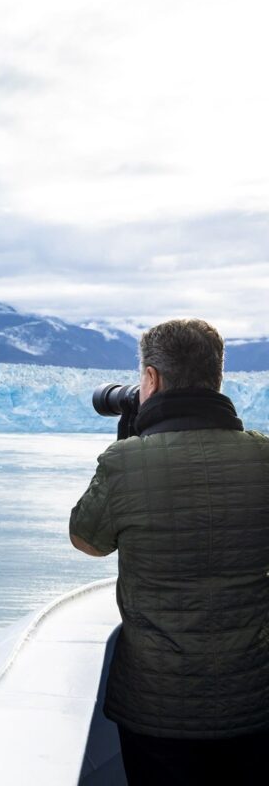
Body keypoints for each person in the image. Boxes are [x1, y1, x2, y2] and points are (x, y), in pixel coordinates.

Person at [69, 318, 269, 785]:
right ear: (216, 376)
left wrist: (128, 444)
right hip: (254, 700)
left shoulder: (125, 463)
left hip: (158, 707)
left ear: (153, 379)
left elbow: (87, 541)